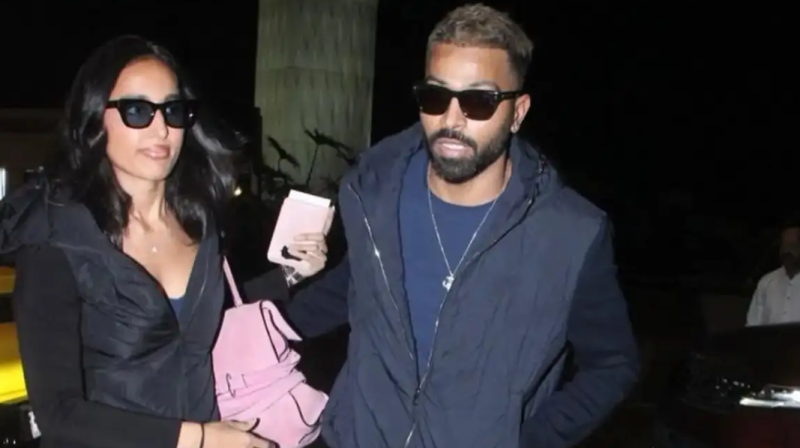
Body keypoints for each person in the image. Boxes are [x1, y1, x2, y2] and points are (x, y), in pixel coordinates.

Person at [283, 4, 639, 448]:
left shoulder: (571, 234)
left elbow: (612, 364)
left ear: (518, 112)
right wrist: (253, 321)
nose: (452, 120)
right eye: (436, 97)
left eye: (479, 101)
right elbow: (356, 289)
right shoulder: (373, 195)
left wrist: (528, 440)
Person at [0, 35, 330, 448]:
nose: (162, 129)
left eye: (173, 111)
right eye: (137, 111)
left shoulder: (198, 222)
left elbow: (199, 316)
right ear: (95, 118)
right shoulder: (55, 241)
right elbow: (57, 412)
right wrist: (199, 438)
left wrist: (292, 272)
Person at [746, 220, 800, 326]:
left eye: (793, 246)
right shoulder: (766, 282)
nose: (787, 251)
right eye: (784, 246)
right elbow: (752, 325)